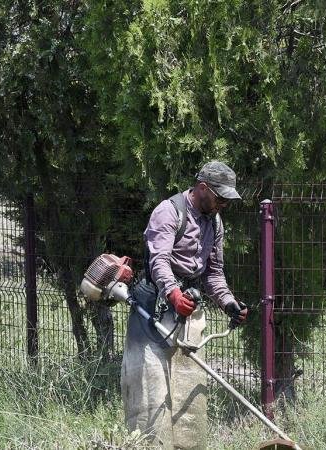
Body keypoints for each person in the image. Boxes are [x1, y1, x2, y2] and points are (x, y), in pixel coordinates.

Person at [121, 161, 249, 449]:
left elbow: (214, 273)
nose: (224, 204)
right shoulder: (168, 212)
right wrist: (173, 294)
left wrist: (229, 303)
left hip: (188, 308)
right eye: (220, 197)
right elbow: (159, 262)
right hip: (153, 306)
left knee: (188, 392)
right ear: (203, 188)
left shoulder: (215, 221)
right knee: (151, 392)